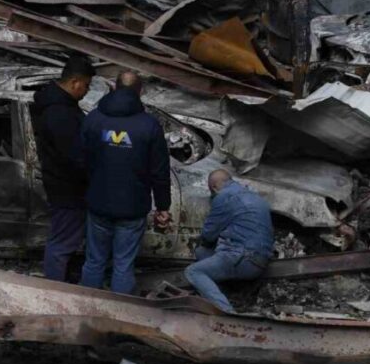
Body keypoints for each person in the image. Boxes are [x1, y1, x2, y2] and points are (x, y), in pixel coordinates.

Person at [73, 71, 171, 294]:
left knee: (94, 260)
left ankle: (87, 306)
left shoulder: (94, 119)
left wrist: (88, 190)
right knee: (123, 265)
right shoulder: (149, 125)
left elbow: (80, 160)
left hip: (98, 204)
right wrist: (163, 206)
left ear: (114, 87)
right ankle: (119, 311)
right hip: (132, 208)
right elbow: (160, 171)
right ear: (140, 92)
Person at [33, 55, 95, 282]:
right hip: (68, 188)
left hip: (63, 185)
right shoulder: (60, 113)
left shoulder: (60, 106)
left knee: (63, 240)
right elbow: (74, 155)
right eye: (86, 85)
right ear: (75, 82)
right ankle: (54, 290)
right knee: (62, 244)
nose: (87, 91)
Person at [184, 169, 274, 313]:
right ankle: (225, 295)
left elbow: (208, 235)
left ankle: (227, 312)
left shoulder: (223, 197)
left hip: (242, 258)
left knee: (193, 272)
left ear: (214, 187)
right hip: (261, 260)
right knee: (202, 253)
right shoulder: (254, 195)